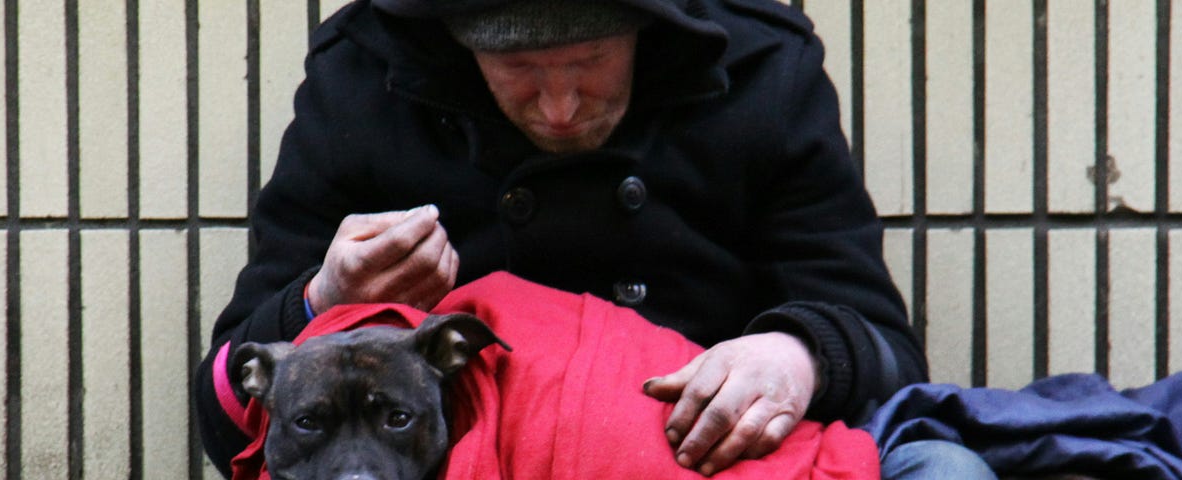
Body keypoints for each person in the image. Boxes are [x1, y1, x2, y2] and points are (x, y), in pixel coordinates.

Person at [193, 0, 929, 476]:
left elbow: (890, 352)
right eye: (518, 70)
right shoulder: (366, 77)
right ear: (457, 45)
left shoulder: (763, 70)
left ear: (648, 29)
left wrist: (797, 354)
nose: (562, 107)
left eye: (590, 63)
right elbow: (227, 417)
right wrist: (325, 301)